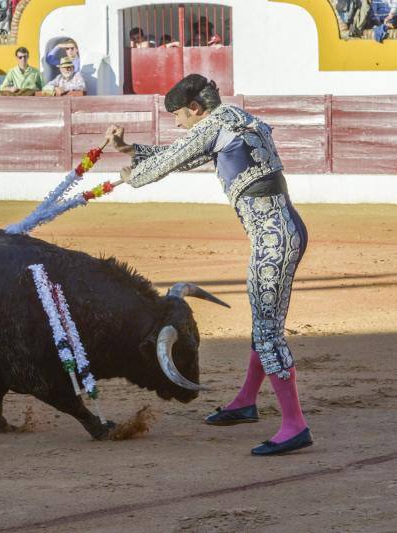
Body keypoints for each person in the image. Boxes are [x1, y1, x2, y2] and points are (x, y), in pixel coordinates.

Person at [106, 74, 312, 456]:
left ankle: (294, 425)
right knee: (264, 324)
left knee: (268, 333)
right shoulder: (231, 119)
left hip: (273, 239)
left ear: (196, 109)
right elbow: (184, 156)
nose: (177, 123)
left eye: (179, 116)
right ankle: (247, 401)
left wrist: (132, 177)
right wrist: (128, 149)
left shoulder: (215, 125)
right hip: (284, 230)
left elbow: (169, 161)